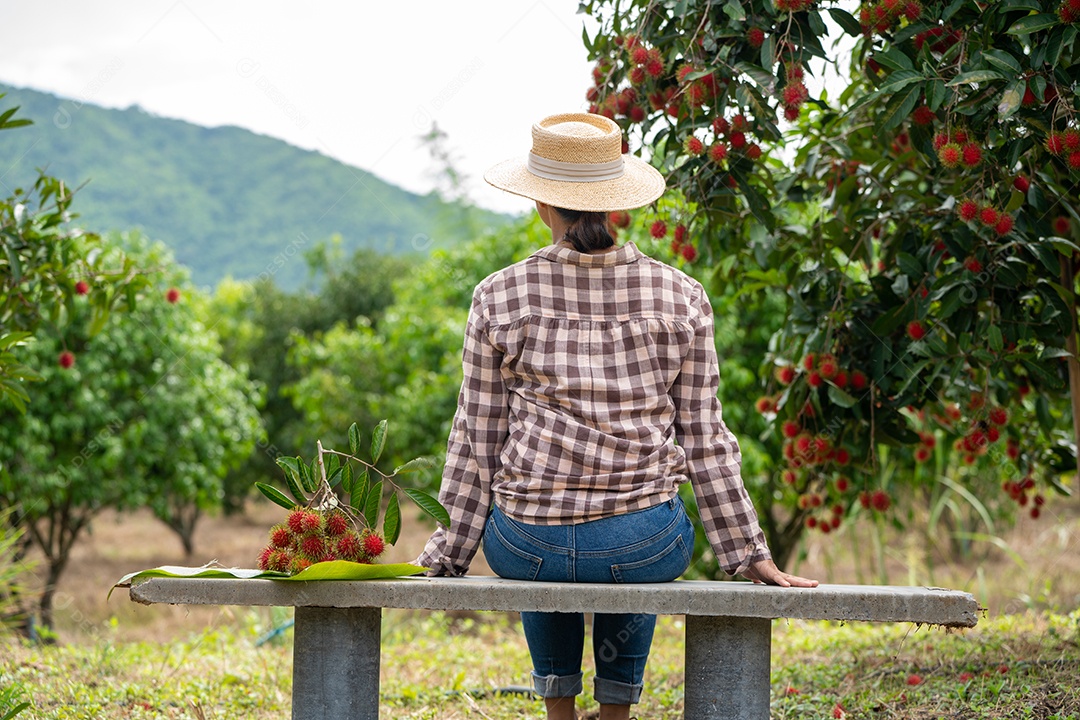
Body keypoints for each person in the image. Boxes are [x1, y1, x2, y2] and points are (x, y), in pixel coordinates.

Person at [415, 112, 817, 720]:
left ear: (542, 204)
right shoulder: (680, 295)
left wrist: (449, 553)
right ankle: (616, 713)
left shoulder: (497, 295)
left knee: (540, 536)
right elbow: (706, 436)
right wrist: (746, 551)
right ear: (618, 204)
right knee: (636, 522)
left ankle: (558, 709)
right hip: (643, 543)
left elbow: (477, 439)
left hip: (527, 546)